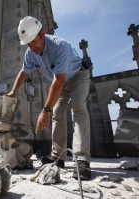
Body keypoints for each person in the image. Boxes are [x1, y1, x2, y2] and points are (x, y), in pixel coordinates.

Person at [6, 16, 91, 180]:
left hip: (78, 76)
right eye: (28, 43)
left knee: (79, 108)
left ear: (42, 34)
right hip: (61, 82)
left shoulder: (60, 46)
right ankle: (58, 158)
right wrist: (13, 92)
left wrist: (45, 110)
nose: (31, 46)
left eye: (33, 41)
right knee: (57, 114)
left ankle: (82, 160)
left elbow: (58, 80)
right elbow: (24, 72)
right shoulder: (31, 53)